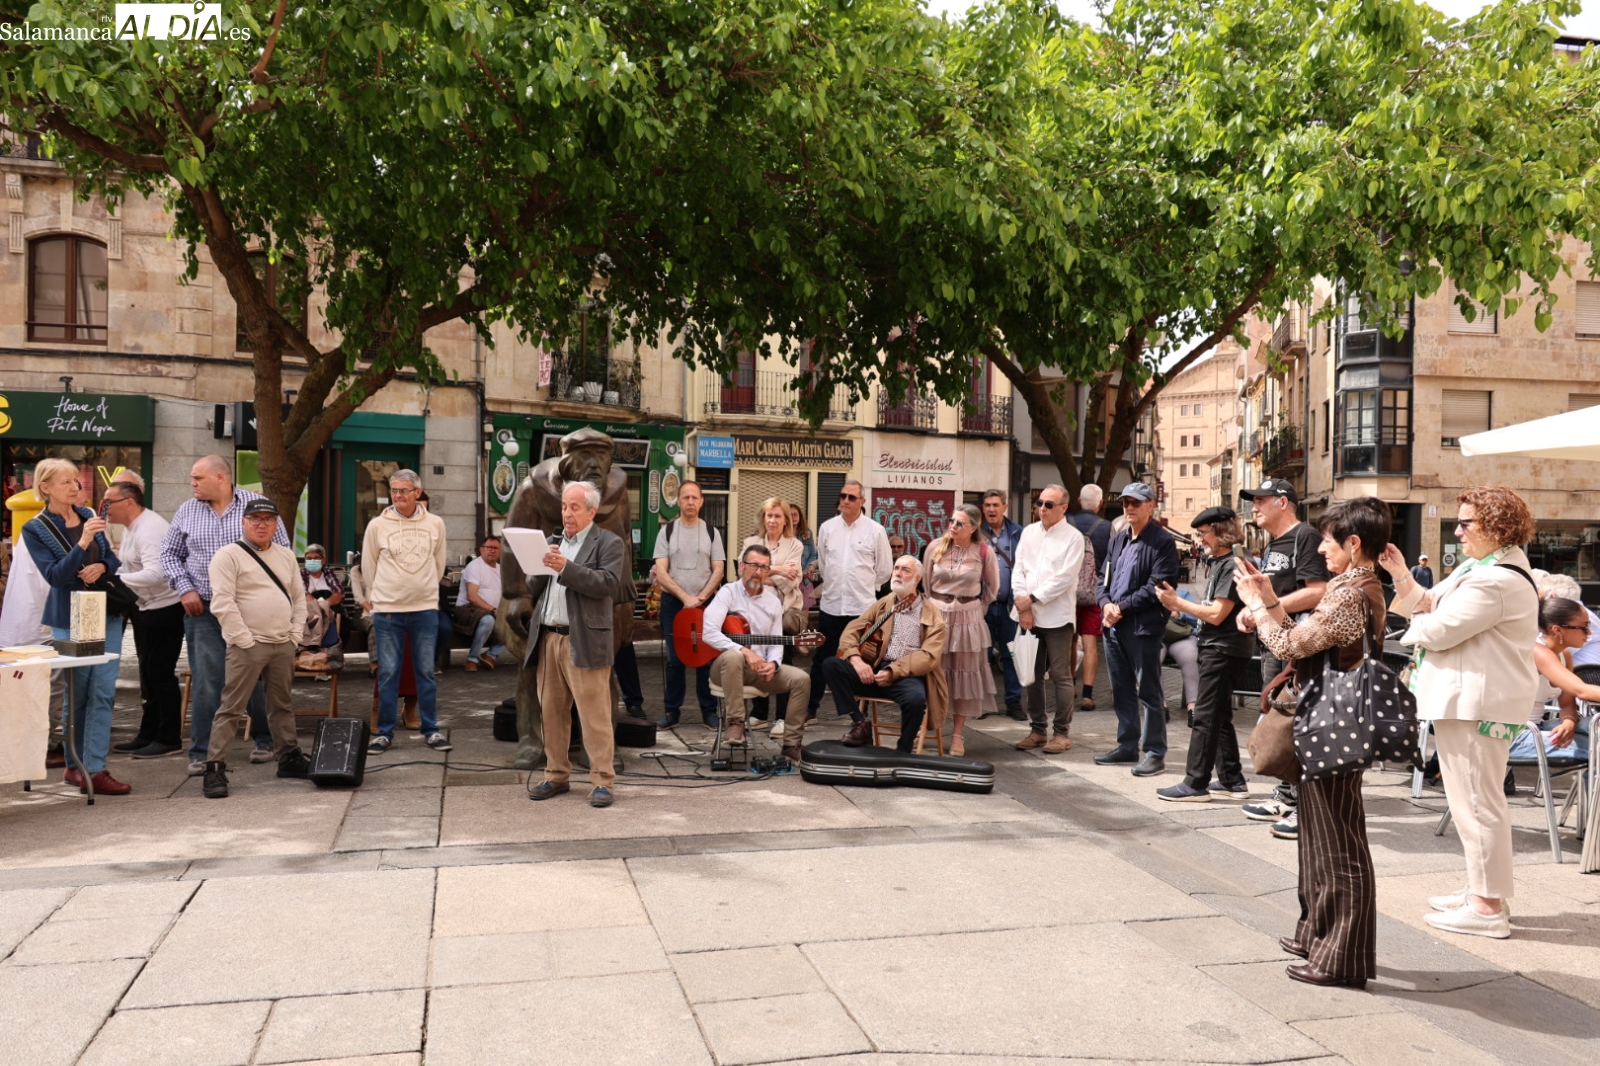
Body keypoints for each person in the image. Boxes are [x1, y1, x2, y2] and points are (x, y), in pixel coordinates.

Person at [1234, 496, 1391, 989]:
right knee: (1321, 838)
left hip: (1334, 721)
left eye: (1327, 541)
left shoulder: (1351, 592)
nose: (1321, 549)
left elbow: (1289, 644)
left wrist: (1256, 606)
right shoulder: (1354, 586)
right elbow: (1304, 641)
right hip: (1332, 717)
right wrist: (1271, 601)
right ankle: (1317, 933)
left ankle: (1342, 957)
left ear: (1353, 543)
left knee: (1337, 843)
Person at [1385, 486, 1540, 940]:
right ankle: (1484, 892)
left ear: (1496, 525)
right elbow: (1427, 603)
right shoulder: (1484, 569)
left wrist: (1417, 624)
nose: (1457, 531)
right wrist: (1401, 575)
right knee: (1474, 802)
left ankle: (1486, 907)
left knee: (1476, 804)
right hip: (1472, 702)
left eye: (1465, 522)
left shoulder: (1495, 579)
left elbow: (1439, 628)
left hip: (1477, 704)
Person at [161, 455, 288, 774]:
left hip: (250, 609)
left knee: (254, 676)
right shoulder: (187, 510)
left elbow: (282, 553)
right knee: (208, 679)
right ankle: (203, 752)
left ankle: (265, 739)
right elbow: (169, 554)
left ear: (220, 478)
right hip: (202, 608)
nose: (192, 483)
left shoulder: (256, 506)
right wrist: (184, 588)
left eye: (197, 478)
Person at [22, 458, 130, 796]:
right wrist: (83, 543)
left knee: (103, 691)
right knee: (78, 692)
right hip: (72, 615)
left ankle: (95, 768)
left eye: (75, 481)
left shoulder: (87, 515)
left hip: (104, 610)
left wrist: (101, 566)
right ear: (45, 488)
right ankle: (74, 765)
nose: (74, 487)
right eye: (66, 482)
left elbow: (112, 559)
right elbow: (55, 576)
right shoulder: (36, 528)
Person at [200, 499, 314, 798]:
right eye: (255, 519)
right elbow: (223, 603)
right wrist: (244, 639)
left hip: (282, 642)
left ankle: (288, 758)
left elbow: (299, 598)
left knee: (282, 705)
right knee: (232, 708)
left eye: (268, 519)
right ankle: (214, 769)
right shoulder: (228, 555)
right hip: (248, 645)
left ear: (276, 524)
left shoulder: (286, 556)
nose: (262, 524)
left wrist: (294, 635)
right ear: (243, 522)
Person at [1236, 477, 1330, 841]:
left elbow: (1316, 591)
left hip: (1296, 642)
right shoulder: (1274, 543)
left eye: (1261, 500)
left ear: (1283, 502)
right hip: (1274, 640)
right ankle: (1287, 795)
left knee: (1293, 719)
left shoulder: (1305, 536)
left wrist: (1260, 609)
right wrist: (1253, 610)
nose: (1255, 507)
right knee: (1277, 718)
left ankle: (1301, 803)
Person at [528, 482, 629, 807]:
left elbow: (607, 584)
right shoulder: (554, 541)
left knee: (594, 715)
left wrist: (565, 568)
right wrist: (540, 565)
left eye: (574, 507)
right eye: (563, 507)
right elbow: (534, 586)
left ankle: (602, 781)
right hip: (549, 638)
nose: (567, 513)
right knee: (551, 713)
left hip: (583, 639)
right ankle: (556, 775)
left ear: (591, 511)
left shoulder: (609, 542)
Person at [1155, 506, 1254, 802]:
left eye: (1203, 533)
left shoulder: (1232, 563)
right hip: (1220, 646)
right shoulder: (1223, 561)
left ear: (1221, 532)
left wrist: (1178, 603)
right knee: (1219, 715)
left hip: (1223, 648)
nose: (1200, 540)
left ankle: (1195, 783)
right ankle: (1232, 780)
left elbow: (1217, 614)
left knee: (1205, 715)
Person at [1091, 482, 1180, 776]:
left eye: (1136, 502)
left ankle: (1155, 752)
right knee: (1121, 689)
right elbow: (1102, 579)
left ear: (1150, 506)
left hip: (1143, 628)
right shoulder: (1118, 540)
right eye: (1126, 502)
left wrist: (1120, 608)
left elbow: (1157, 586)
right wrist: (1105, 604)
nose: (1129, 507)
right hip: (1113, 627)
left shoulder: (1162, 541)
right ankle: (1127, 745)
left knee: (1149, 691)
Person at [361, 469, 451, 754]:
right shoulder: (377, 526)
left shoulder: (436, 524)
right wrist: (383, 596)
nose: (398, 495)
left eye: (403, 490)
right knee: (388, 674)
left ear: (417, 492)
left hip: (425, 609)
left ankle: (431, 730)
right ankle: (384, 733)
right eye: (394, 490)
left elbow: (439, 564)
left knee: (426, 672)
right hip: (388, 612)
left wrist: (423, 590)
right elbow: (368, 567)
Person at [822, 556, 947, 751]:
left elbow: (929, 657)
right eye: (896, 568)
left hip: (906, 675)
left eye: (905, 570)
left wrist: (892, 671)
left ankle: (903, 751)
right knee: (831, 665)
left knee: (915, 700)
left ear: (918, 579)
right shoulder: (884, 604)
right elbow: (851, 630)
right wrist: (856, 660)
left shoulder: (931, 613)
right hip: (873, 672)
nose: (898, 573)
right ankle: (861, 723)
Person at [705, 544, 811, 760]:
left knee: (801, 679)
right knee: (734, 655)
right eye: (753, 565)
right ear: (741, 566)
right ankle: (735, 722)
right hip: (724, 669)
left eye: (764, 567)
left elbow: (776, 642)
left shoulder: (773, 602)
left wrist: (773, 663)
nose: (758, 571)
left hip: (757, 670)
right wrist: (744, 651)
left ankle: (791, 743)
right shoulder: (728, 593)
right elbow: (708, 632)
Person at [104, 480, 185, 759]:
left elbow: (156, 573)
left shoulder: (149, 528)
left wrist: (113, 580)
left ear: (129, 502)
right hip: (147, 607)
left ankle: (169, 738)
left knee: (160, 674)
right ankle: (148, 733)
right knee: (150, 674)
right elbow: (129, 565)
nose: (105, 507)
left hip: (166, 607)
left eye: (109, 502)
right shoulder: (131, 527)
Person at [809, 480, 893, 719]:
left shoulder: (875, 531)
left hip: (861, 609)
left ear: (862, 501)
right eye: (843, 496)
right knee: (822, 659)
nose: (845, 500)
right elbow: (824, 564)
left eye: (851, 497)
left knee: (863, 660)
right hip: (831, 606)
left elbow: (884, 570)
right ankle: (811, 709)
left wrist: (865, 587)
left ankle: (860, 715)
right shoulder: (827, 528)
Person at [1011, 484, 1086, 754]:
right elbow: (1018, 570)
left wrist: (1031, 599)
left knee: (1061, 676)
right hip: (1029, 615)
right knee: (1031, 675)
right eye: (1039, 503)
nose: (1042, 508)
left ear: (1063, 508)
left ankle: (1062, 734)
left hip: (1057, 617)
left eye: (1048, 504)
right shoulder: (1029, 532)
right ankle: (1038, 730)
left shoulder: (1074, 538)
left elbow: (1064, 578)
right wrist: (1023, 605)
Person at [923, 503, 999, 757]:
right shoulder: (935, 547)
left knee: (964, 675)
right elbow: (925, 584)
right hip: (937, 615)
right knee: (933, 672)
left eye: (959, 523)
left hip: (968, 619)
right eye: (952, 521)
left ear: (973, 527)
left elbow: (992, 590)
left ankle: (957, 734)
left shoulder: (984, 551)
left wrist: (973, 608)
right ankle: (926, 726)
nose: (953, 526)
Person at [652, 481, 726, 729]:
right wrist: (685, 598)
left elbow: (719, 569)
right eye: (686, 497)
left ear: (702, 501)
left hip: (706, 604)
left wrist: (700, 598)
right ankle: (672, 712)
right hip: (674, 604)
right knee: (675, 659)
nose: (690, 502)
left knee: (706, 657)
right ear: (678, 501)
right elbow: (661, 571)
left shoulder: (712, 532)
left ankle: (709, 712)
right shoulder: (666, 532)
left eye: (695, 498)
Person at [1508, 597, 1599, 761]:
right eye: (1584, 627)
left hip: (1537, 727)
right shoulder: (1537, 651)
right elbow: (1582, 691)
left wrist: (1568, 723)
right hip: (1511, 734)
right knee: (1596, 747)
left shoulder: (1564, 655)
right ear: (1557, 629)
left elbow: (1567, 703)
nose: (1589, 633)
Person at [742, 498, 805, 736]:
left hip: (783, 611)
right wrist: (777, 569)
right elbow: (744, 575)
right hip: (754, 611)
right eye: (769, 515)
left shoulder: (795, 545)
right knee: (757, 659)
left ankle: (781, 717)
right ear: (763, 518)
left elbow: (791, 581)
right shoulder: (750, 542)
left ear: (786, 520)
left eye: (778, 516)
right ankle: (759, 714)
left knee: (783, 662)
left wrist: (759, 571)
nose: (772, 520)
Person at [980, 489, 1025, 720]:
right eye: (987, 505)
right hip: (982, 607)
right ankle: (981, 703)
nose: (991, 509)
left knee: (1012, 656)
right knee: (982, 656)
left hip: (1010, 606)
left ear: (1004, 507)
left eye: (995, 505)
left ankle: (1013, 702)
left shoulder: (1018, 532)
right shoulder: (975, 532)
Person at [1071, 484, 1114, 711]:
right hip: (1095, 592)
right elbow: (1112, 562)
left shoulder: (1066, 523)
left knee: (1069, 640)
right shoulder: (1107, 527)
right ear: (1100, 503)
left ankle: (1069, 687)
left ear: (1079, 501)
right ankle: (1087, 694)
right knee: (1090, 643)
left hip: (1067, 592)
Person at [453, 535, 507, 671]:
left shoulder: (501, 569)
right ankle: (472, 659)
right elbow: (472, 596)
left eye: (496, 548)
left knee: (515, 623)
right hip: (468, 610)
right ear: (481, 550)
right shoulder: (475, 566)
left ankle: (490, 655)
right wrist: (492, 610)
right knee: (488, 620)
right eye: (490, 547)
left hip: (491, 611)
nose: (493, 550)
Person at [1536, 572, 1600, 667]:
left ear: (1552, 597)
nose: (1589, 632)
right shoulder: (1542, 649)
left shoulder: (1577, 616)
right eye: (1584, 627)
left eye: (1541, 600)